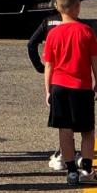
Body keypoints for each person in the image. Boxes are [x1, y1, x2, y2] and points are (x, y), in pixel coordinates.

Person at [43, 0, 97, 188]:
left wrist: (47, 90)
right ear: (77, 7)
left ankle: (70, 171)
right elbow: (95, 61)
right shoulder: (86, 31)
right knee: (87, 130)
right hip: (81, 86)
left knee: (65, 130)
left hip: (59, 85)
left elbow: (48, 65)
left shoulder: (53, 34)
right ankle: (87, 168)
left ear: (58, 8)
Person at [26, 13, 68, 171]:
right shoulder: (78, 25)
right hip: (75, 76)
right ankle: (67, 152)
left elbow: (31, 44)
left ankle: (63, 152)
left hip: (55, 76)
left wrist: (39, 66)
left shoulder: (47, 22)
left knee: (61, 119)